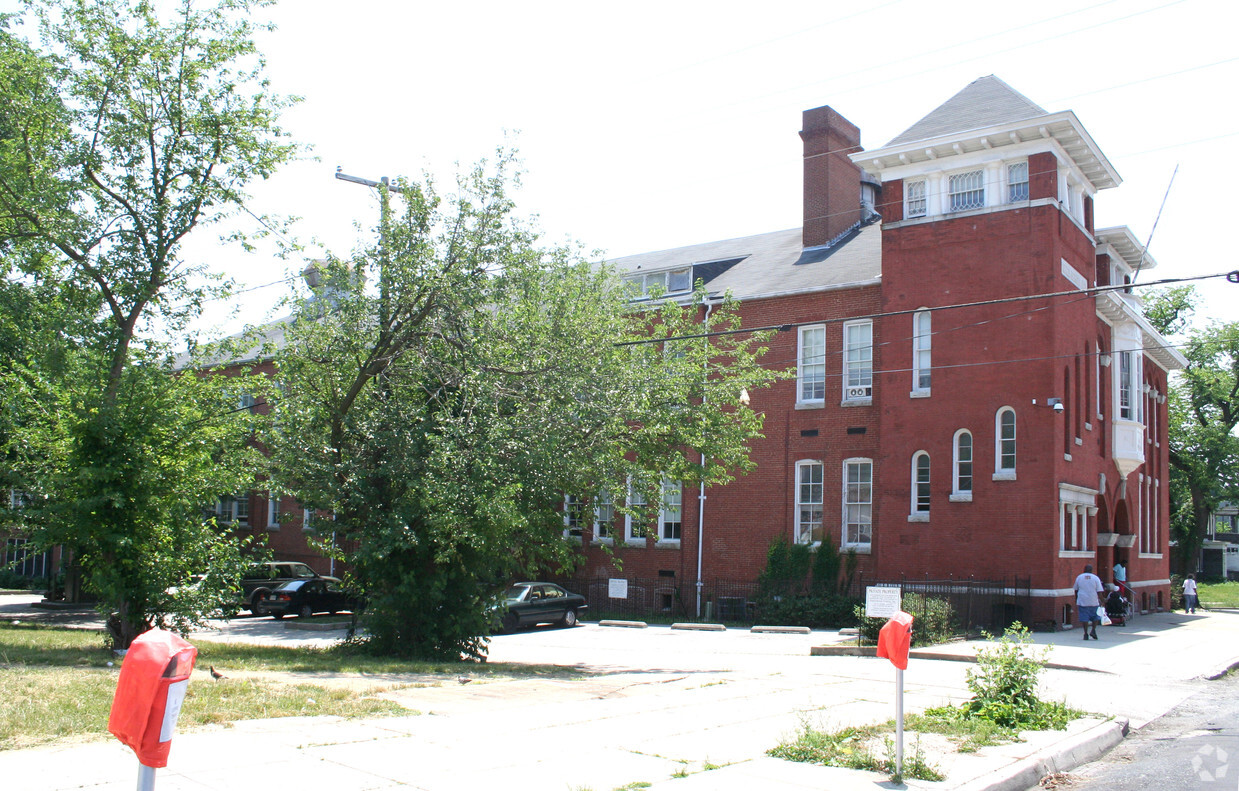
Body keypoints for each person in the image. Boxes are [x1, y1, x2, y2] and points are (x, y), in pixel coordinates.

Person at [1074, 563, 1104, 640]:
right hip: (1093, 600)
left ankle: (1085, 633)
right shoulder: (1095, 578)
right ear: (1091, 570)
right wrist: (1102, 600)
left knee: (1084, 618)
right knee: (1096, 617)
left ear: (1084, 570)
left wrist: (1076, 599)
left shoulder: (1079, 577)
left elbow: (1076, 590)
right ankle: (1093, 630)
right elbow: (1099, 591)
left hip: (1082, 600)